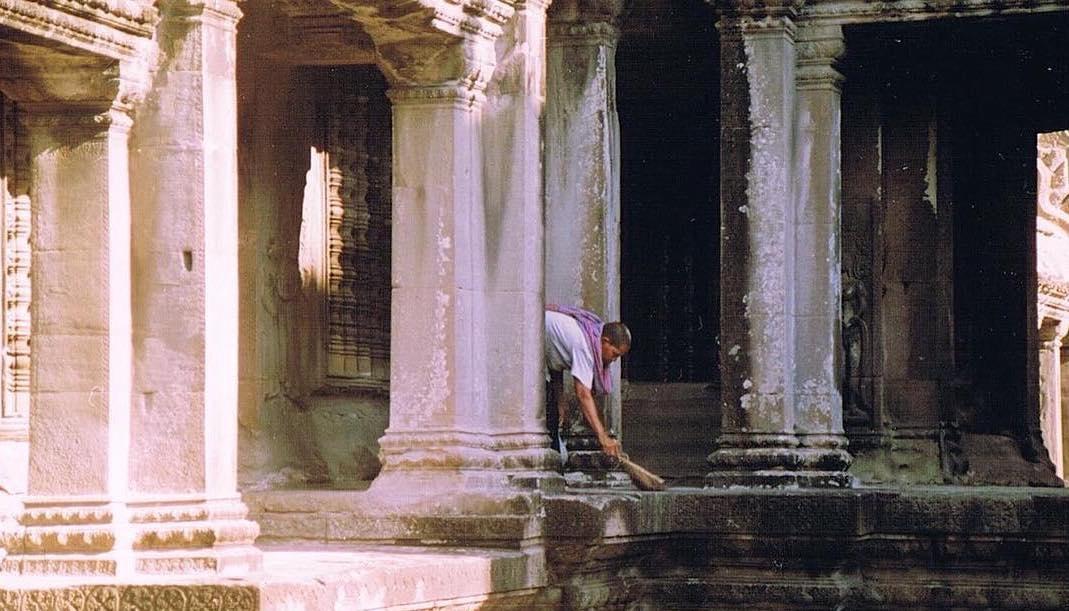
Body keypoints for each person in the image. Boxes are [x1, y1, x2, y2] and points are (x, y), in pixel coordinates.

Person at [544, 305, 631, 463]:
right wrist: (603, 438)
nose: (614, 360)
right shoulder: (584, 345)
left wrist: (560, 401)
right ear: (605, 342)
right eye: (615, 354)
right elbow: (583, 394)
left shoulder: (588, 334)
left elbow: (555, 360)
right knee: (559, 456)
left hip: (541, 361)